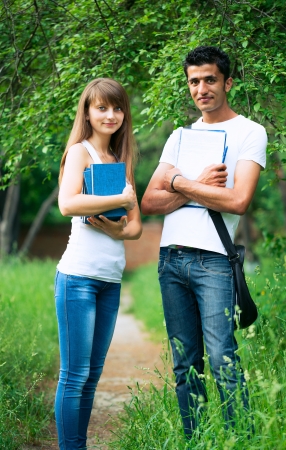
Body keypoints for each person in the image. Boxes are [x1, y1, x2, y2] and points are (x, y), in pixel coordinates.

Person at [141, 46, 267, 439]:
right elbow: (148, 201)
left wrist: (178, 182)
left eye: (210, 79)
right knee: (184, 365)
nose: (201, 88)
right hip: (171, 260)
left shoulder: (250, 132)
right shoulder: (179, 136)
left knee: (222, 358)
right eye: (194, 81)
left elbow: (238, 200)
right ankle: (194, 441)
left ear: (227, 82)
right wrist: (193, 185)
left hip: (214, 261)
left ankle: (239, 441)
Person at [55, 78, 142, 449]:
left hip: (110, 280)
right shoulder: (80, 152)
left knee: (91, 376)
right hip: (78, 278)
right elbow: (68, 204)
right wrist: (119, 201)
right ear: (87, 113)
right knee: (74, 376)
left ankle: (80, 444)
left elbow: (136, 227)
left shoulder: (120, 163)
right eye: (102, 108)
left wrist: (114, 229)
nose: (111, 115)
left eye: (117, 107)